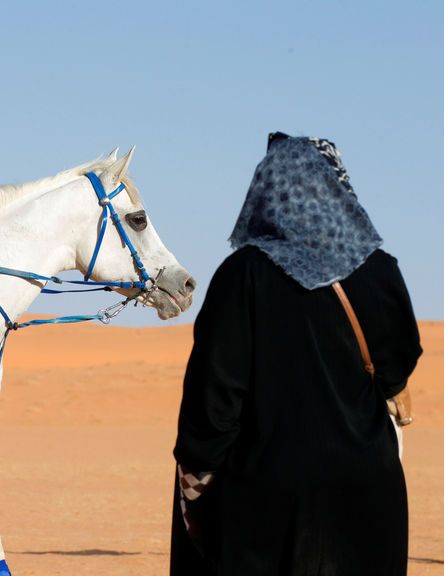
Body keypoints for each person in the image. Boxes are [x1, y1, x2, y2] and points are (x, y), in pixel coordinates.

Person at [169, 133, 422, 575]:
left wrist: (196, 480)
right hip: (368, 496)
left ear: (266, 191)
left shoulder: (242, 274)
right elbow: (397, 365)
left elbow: (213, 400)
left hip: (265, 503)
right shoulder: (380, 269)